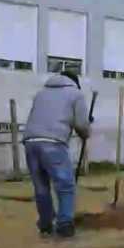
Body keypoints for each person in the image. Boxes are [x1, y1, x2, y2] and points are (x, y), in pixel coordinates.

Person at [22, 71, 91, 238]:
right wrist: (85, 133)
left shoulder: (41, 93)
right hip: (52, 143)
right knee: (65, 186)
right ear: (75, 82)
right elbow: (81, 124)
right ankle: (65, 224)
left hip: (30, 142)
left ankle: (46, 224)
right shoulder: (76, 94)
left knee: (41, 187)